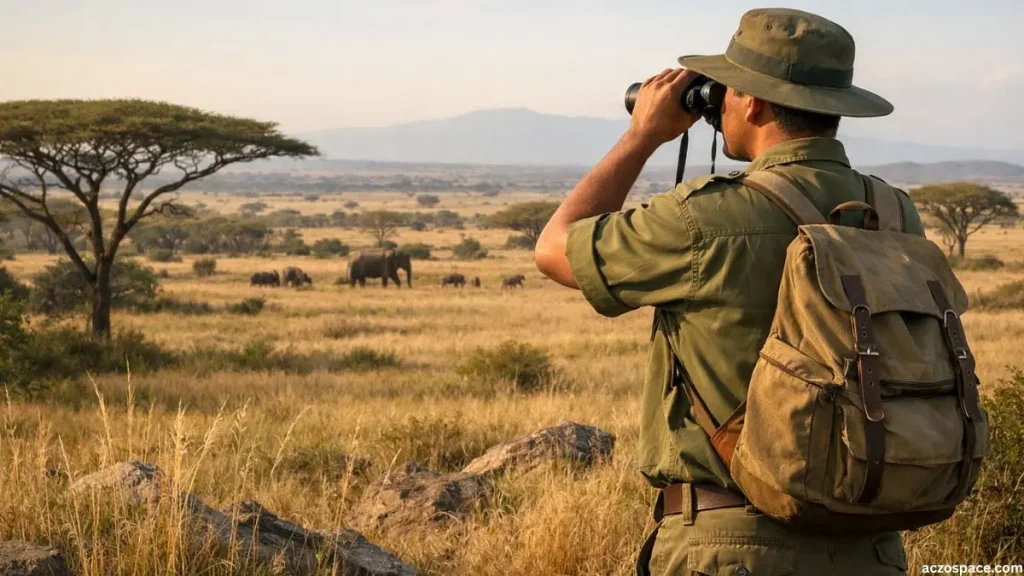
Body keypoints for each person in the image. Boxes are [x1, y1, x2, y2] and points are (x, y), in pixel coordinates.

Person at [535, 8, 921, 576]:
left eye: (725, 89)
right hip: (872, 547)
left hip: (731, 545)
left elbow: (553, 248)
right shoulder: (894, 212)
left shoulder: (704, 217)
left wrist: (643, 134)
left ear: (754, 103)